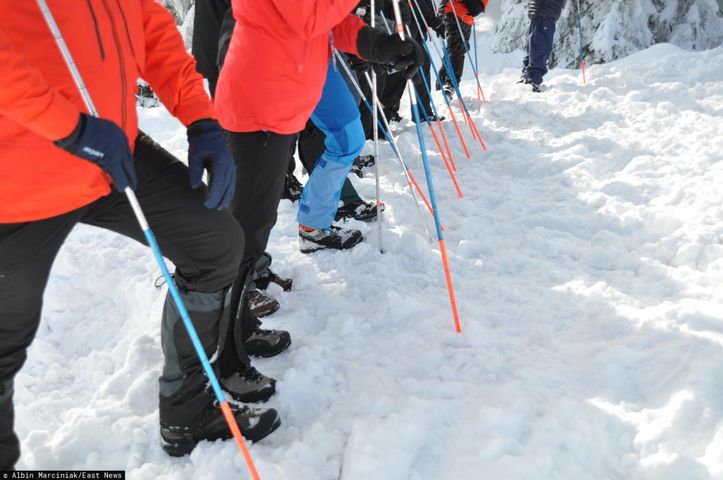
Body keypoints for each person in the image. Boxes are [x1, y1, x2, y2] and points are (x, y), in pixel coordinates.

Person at [0, 1, 281, 466]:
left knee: (214, 245)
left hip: (112, 154)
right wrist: (68, 128)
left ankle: (186, 412)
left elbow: (150, 29)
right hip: (21, 178)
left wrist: (201, 118)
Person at [214, 0, 424, 257]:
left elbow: (328, 20)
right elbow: (308, 16)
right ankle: (237, 285)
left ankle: (313, 225)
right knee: (253, 211)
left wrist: (375, 44)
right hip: (264, 82)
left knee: (349, 139)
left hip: (311, 61)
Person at [437, 0, 488, 99]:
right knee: (457, 48)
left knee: (455, 48)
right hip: (451, 11)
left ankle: (443, 84)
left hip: (466, 16)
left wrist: (480, 4)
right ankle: (449, 85)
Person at [518, 0, 568, 92]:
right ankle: (529, 76)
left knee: (539, 45)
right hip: (538, 10)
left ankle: (533, 78)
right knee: (533, 45)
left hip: (546, 10)